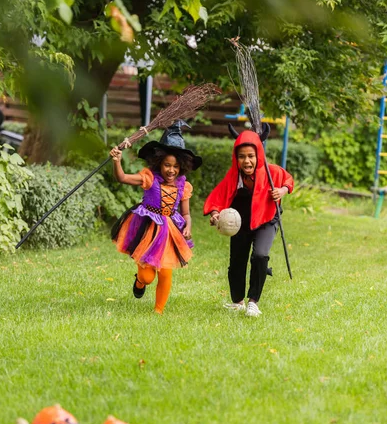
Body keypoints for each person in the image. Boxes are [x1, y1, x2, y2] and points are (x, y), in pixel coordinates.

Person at [110, 120, 202, 314]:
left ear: (182, 167)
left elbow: (186, 213)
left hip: (170, 230)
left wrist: (188, 226)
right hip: (149, 228)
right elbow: (123, 178)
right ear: (159, 163)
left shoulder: (183, 186)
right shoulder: (149, 178)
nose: (171, 170)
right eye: (167, 165)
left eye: (176, 167)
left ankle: (158, 310)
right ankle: (140, 280)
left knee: (166, 272)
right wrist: (117, 161)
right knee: (148, 276)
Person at [203, 129, 293, 317]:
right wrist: (214, 213)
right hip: (241, 221)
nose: (247, 161)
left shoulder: (272, 172)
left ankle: (253, 302)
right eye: (242, 156)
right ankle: (238, 302)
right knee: (237, 260)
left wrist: (281, 191)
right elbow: (218, 198)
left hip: (267, 218)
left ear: (258, 154)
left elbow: (288, 180)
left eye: (251, 156)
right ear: (236, 157)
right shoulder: (233, 176)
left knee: (260, 256)